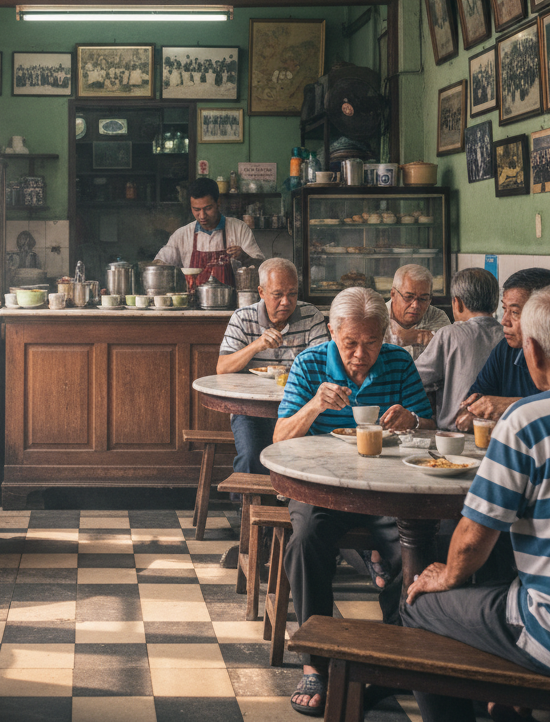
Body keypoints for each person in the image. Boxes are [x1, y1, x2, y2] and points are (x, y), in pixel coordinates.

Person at [403, 285, 550, 722]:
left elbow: (474, 539)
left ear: (532, 350)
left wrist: (446, 574)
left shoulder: (529, 419)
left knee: (419, 604)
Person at [275, 287, 434, 716]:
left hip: (385, 485)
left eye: (371, 342)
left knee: (417, 543)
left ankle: (394, 657)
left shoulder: (399, 362)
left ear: (385, 335)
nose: (361, 354)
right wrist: (313, 405)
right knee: (306, 540)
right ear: (332, 331)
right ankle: (315, 663)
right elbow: (279, 438)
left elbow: (429, 425)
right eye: (350, 343)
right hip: (321, 485)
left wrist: (412, 419)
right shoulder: (310, 363)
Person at [217, 258, 328, 475]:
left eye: (293, 294)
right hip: (250, 409)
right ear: (261, 292)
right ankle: (248, 508)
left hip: (298, 407)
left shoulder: (311, 316)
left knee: (307, 459)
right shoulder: (242, 318)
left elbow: (322, 367)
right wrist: (256, 346)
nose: (286, 302)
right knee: (251, 457)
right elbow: (222, 367)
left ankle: (288, 506)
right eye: (278, 295)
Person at [456, 267, 550, 431]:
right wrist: (474, 411)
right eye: (504, 309)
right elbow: (469, 408)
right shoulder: (506, 350)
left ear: (547, 313)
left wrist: (510, 406)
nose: (504, 321)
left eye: (515, 312)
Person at [415, 267, 503, 431]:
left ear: (458, 303)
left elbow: (415, 378)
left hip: (455, 433)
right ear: (496, 303)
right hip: (497, 432)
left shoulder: (449, 334)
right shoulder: (507, 336)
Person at [153, 176, 263, 288]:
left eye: (208, 208)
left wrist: (245, 258)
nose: (202, 216)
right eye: (196, 209)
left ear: (218, 203)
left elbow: (262, 268)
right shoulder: (182, 235)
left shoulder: (239, 229)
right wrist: (158, 266)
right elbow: (159, 263)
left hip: (231, 302)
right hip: (193, 303)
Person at [385, 264, 450, 360]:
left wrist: (413, 337)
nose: (415, 305)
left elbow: (449, 353)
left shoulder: (437, 317)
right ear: (393, 294)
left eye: (423, 299)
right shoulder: (375, 317)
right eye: (408, 297)